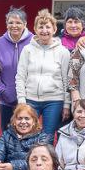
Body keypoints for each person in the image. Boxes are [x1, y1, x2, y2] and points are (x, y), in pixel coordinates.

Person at [15, 9, 70, 137]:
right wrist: (22, 100)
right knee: (26, 134)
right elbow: (20, 77)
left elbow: (66, 80)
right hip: (30, 99)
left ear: (54, 29)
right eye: (41, 27)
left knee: (48, 136)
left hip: (54, 100)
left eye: (48, 27)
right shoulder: (27, 50)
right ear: (35, 29)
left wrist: (66, 104)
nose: (44, 30)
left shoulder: (63, 52)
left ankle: (45, 157)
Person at [0, 6, 32, 132]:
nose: (14, 25)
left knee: (28, 133)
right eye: (11, 22)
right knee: (8, 133)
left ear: (25, 24)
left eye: (18, 22)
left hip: (29, 98)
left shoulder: (34, 41)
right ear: (6, 24)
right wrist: (2, 90)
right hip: (6, 100)